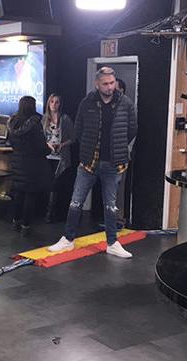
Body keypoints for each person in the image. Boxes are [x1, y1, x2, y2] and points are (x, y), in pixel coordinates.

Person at [48, 67, 138, 258]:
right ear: (97, 84)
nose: (110, 87)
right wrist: (87, 150)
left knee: (110, 205)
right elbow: (79, 129)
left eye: (112, 83)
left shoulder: (125, 103)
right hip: (89, 162)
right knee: (76, 201)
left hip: (113, 163)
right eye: (105, 83)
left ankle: (112, 242)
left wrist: (119, 147)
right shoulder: (87, 103)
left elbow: (132, 129)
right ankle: (67, 239)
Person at [8, 96, 52, 236]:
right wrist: (49, 149)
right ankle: (26, 226)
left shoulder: (12, 122)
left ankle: (16, 221)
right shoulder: (35, 123)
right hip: (33, 163)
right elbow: (40, 146)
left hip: (17, 161)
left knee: (19, 194)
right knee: (30, 195)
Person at [42, 93, 75, 223]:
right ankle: (48, 212)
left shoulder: (65, 119)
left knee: (59, 186)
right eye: (52, 102)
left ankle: (55, 213)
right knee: (50, 185)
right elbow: (41, 137)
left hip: (62, 157)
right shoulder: (44, 119)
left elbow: (73, 138)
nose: (54, 105)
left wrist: (62, 145)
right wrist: (48, 145)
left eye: (57, 102)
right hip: (47, 156)